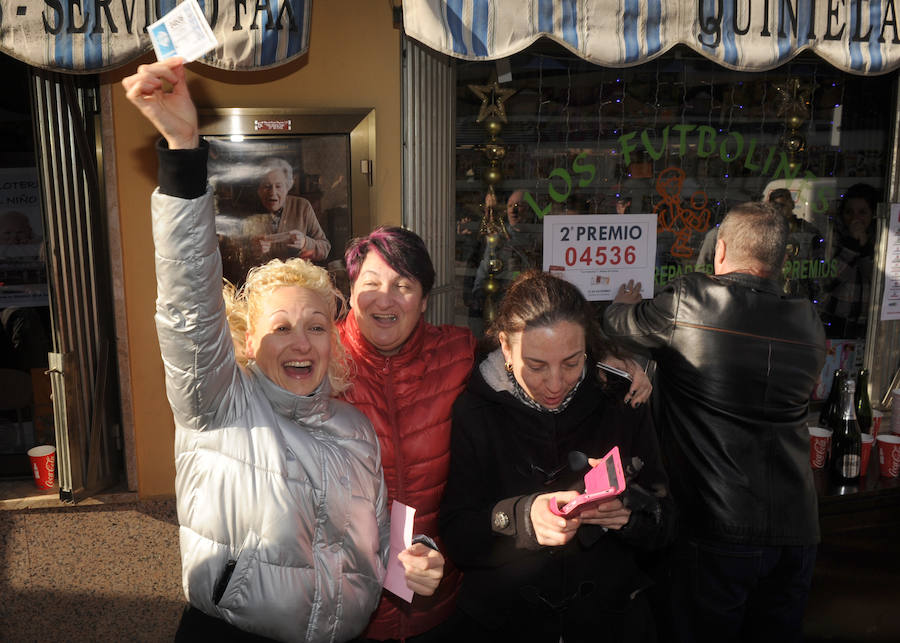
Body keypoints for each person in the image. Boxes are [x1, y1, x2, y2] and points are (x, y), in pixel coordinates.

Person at [123, 58, 389, 642]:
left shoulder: (356, 430)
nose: (300, 342)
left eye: (317, 327)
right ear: (246, 337)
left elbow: (374, 546)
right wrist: (183, 150)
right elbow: (190, 301)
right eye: (281, 327)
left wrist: (411, 561)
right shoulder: (218, 406)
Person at [339, 227, 655, 642]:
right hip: (346, 598)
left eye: (403, 285)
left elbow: (665, 514)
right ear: (349, 289)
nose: (386, 298)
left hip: (438, 597)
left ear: (425, 301)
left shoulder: (456, 355)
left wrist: (607, 358)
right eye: (372, 284)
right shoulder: (318, 362)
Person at [603, 201, 826, 643]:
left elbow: (619, 326)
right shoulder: (809, 320)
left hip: (716, 527)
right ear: (780, 259)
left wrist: (619, 303)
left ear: (720, 249)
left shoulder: (692, 301)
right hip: (797, 529)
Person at [439, 270, 674, 642]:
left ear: (588, 349)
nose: (554, 383)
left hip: (608, 620)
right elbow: (457, 535)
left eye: (571, 362)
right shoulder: (474, 410)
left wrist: (630, 512)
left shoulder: (623, 400)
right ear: (505, 347)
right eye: (536, 365)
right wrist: (523, 519)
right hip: (505, 623)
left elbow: (665, 523)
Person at [244, 157, 331, 264]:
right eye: (267, 186)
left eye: (278, 186)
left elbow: (325, 248)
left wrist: (305, 243)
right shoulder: (249, 214)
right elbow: (238, 258)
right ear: (259, 190)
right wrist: (253, 251)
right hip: (265, 279)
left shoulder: (302, 207)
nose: (272, 192)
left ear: (287, 187)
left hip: (298, 278)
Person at [820, 182, 879, 338]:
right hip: (836, 322)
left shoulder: (881, 241)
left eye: (862, 212)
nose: (855, 218)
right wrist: (851, 247)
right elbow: (827, 281)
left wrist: (865, 248)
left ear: (872, 215)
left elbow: (878, 280)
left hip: (870, 324)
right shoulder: (832, 239)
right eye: (849, 212)